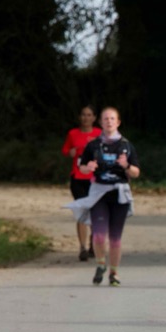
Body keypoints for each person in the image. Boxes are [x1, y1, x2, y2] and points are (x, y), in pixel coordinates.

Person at [77, 107, 141, 286]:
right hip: (99, 193)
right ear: (101, 123)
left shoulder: (126, 146)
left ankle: (114, 273)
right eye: (106, 119)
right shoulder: (93, 145)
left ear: (118, 122)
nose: (109, 122)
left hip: (119, 194)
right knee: (98, 235)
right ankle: (100, 264)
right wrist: (88, 167)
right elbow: (82, 166)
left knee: (115, 238)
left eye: (112, 119)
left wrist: (126, 166)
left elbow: (136, 172)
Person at [61, 105, 101, 260]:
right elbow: (65, 150)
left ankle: (93, 243)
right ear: (79, 117)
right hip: (78, 178)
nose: (86, 118)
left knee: (95, 211)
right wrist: (70, 152)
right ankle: (83, 247)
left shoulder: (99, 134)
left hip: (95, 179)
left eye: (89, 115)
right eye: (83, 115)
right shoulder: (73, 133)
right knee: (82, 210)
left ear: (94, 118)